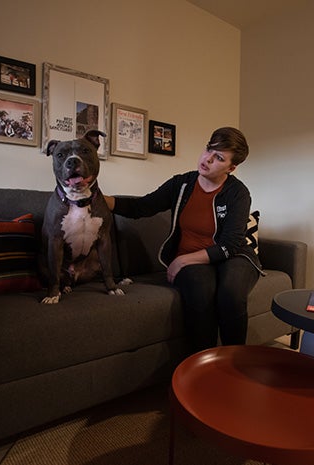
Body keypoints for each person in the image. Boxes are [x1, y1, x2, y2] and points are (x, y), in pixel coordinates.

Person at [104, 127, 262, 353]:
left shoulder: (238, 193)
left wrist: (182, 261)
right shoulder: (182, 185)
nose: (208, 159)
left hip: (233, 257)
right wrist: (98, 198)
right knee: (200, 291)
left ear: (231, 167)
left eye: (219, 158)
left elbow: (230, 244)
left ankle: (234, 363)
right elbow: (142, 206)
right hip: (194, 261)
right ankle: (202, 364)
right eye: (209, 149)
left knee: (231, 293)